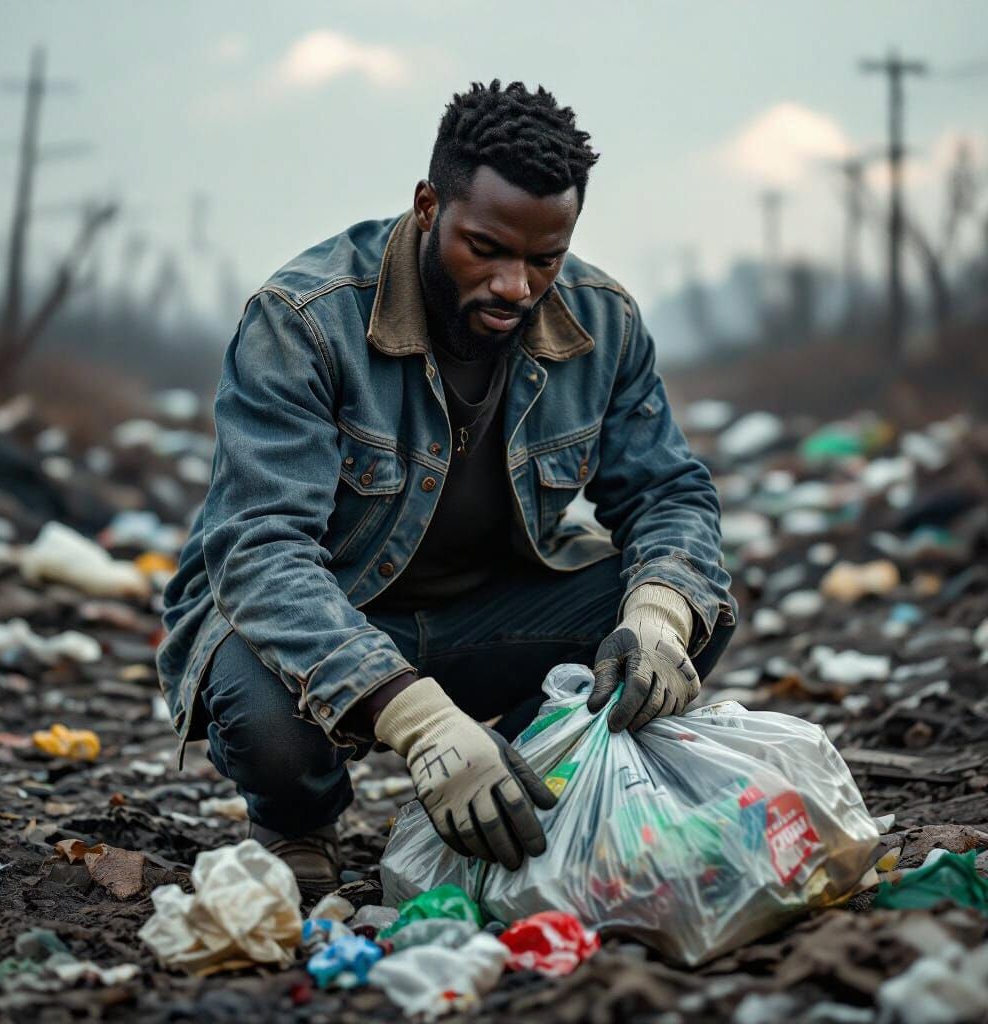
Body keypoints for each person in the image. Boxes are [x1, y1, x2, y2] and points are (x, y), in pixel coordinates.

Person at [157, 80, 736, 900]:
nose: (516, 286)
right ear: (429, 205)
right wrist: (420, 721)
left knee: (679, 624)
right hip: (334, 614)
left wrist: (657, 616)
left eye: (545, 259)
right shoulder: (305, 319)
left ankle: (523, 785)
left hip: (487, 618)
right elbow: (260, 552)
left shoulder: (603, 323)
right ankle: (299, 823)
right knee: (264, 719)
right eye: (487, 249)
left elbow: (669, 492)